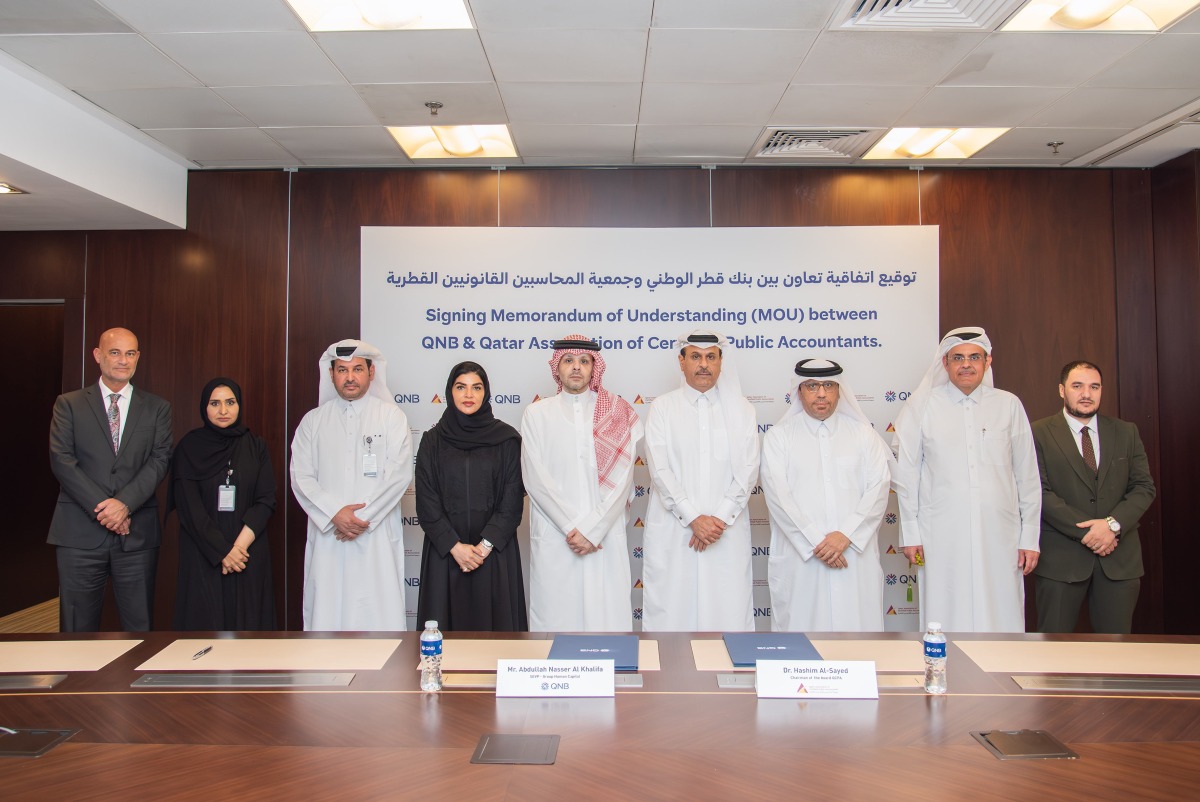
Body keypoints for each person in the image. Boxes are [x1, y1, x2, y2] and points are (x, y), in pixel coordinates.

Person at [892, 326, 1041, 633]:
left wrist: (1030, 538)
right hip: (940, 533)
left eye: (974, 357)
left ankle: (1001, 674)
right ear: (945, 364)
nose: (966, 364)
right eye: (957, 357)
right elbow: (906, 475)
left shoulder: (1008, 405)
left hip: (1001, 534)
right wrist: (910, 534)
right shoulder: (922, 406)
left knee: (1001, 608)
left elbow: (1027, 476)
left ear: (988, 362)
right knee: (945, 609)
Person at [48, 327, 172, 632]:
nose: (123, 360)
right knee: (76, 627)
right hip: (79, 534)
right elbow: (62, 461)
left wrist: (124, 505)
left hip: (137, 536)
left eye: (130, 354)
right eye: (115, 352)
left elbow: (159, 460)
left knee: (139, 628)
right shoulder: (69, 404)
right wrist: (107, 509)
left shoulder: (158, 408)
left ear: (138, 358)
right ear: (98, 356)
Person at [760, 359, 892, 632]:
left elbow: (878, 488)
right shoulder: (779, 437)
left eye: (828, 385)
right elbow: (779, 498)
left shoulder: (864, 435)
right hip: (802, 557)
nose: (821, 393)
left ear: (839, 390)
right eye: (812, 386)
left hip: (853, 554)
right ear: (799, 391)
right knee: (801, 638)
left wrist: (845, 536)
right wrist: (817, 542)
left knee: (859, 638)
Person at [522, 336, 643, 631]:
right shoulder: (537, 413)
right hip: (557, 535)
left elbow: (624, 480)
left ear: (594, 368)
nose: (576, 367)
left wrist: (594, 529)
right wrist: (572, 528)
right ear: (557, 368)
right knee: (555, 620)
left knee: (607, 619)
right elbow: (535, 478)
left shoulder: (618, 412)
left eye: (584, 361)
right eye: (569, 361)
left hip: (604, 535)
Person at [290, 340, 413, 631]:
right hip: (329, 533)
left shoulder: (391, 417)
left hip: (375, 534)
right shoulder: (313, 421)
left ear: (371, 372)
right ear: (331, 375)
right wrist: (335, 513)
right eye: (342, 370)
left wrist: (360, 518)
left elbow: (400, 474)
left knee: (378, 611)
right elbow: (301, 475)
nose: (350, 377)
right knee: (328, 610)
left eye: (357, 369)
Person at [642, 330, 759, 632]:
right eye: (695, 356)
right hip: (675, 529)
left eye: (711, 357)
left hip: (725, 531)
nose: (703, 364)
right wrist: (693, 517)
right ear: (681, 362)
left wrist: (717, 519)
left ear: (721, 362)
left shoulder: (743, 410)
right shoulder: (662, 408)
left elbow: (748, 469)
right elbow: (660, 469)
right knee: (672, 612)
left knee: (727, 610)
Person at [1032, 361, 1156, 634]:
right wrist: (1091, 532)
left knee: (1115, 655)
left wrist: (1110, 525)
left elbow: (1143, 487)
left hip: (1119, 560)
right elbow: (1038, 491)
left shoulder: (1126, 432)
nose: (1086, 393)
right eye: (1078, 386)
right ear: (1062, 390)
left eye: (1094, 386)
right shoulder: (1037, 432)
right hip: (1061, 562)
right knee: (1052, 654)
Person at [415, 361, 526, 631]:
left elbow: (511, 501)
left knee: (498, 644)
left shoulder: (507, 439)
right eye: (461, 387)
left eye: (476, 388)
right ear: (449, 392)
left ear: (486, 393)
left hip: (493, 555)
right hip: (445, 555)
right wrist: (455, 548)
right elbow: (426, 502)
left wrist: (482, 549)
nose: (468, 395)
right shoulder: (432, 441)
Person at [170, 378, 276, 630]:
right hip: (204, 554)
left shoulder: (255, 445)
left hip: (247, 552)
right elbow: (189, 507)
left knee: (250, 636)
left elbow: (266, 500)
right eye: (214, 403)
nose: (223, 410)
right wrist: (223, 552)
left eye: (230, 402)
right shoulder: (189, 447)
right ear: (204, 408)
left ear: (239, 405)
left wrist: (237, 548)